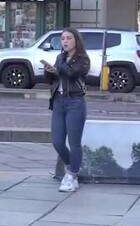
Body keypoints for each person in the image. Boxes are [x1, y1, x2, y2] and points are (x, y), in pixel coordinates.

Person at [43, 28, 90, 193]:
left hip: (75, 102)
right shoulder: (60, 57)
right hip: (58, 102)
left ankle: (71, 175)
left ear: (76, 40)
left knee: (74, 142)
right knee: (57, 141)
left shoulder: (82, 59)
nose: (65, 41)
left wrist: (60, 65)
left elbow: (72, 73)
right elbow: (53, 79)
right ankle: (72, 168)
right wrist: (49, 71)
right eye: (63, 38)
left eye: (69, 38)